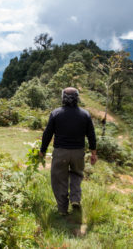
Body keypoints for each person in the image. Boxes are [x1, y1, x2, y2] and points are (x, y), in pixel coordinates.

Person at [39, 87, 97, 216]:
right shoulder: (85, 114)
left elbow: (47, 134)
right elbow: (91, 135)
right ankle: (75, 198)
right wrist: (93, 153)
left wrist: (42, 150)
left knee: (59, 179)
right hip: (78, 152)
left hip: (60, 152)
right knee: (77, 174)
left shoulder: (56, 113)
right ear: (77, 98)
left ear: (62, 98)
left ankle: (62, 209)